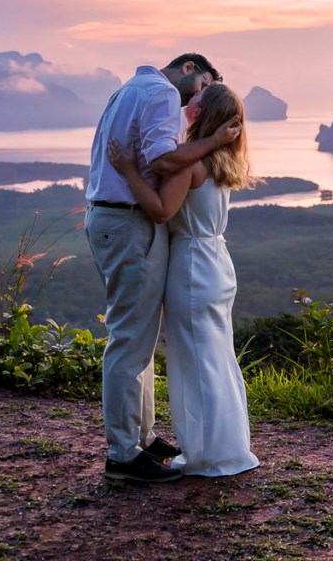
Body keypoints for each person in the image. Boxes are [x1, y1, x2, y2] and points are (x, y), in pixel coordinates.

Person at [84, 53, 240, 484]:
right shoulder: (161, 94)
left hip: (117, 218)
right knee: (130, 338)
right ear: (189, 69)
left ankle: (144, 437)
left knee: (141, 336)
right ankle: (122, 453)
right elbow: (163, 161)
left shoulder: (129, 90)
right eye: (203, 85)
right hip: (128, 220)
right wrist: (213, 141)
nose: (199, 98)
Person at [108, 81, 260, 477]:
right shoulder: (227, 162)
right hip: (218, 263)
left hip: (191, 266)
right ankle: (228, 447)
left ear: (202, 116)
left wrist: (127, 170)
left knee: (196, 362)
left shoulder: (190, 165)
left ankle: (208, 455)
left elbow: (160, 210)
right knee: (217, 357)